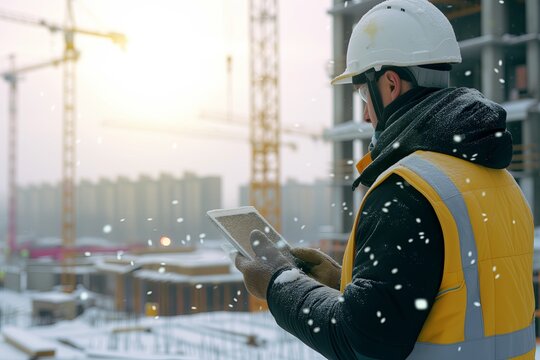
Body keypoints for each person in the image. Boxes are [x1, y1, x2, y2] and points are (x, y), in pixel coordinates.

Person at [235, 0, 536, 359]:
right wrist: (340, 281)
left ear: (390, 84)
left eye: (364, 93)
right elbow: (446, 295)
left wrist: (277, 284)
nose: (364, 115)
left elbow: (363, 340)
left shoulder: (409, 190)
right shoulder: (499, 180)